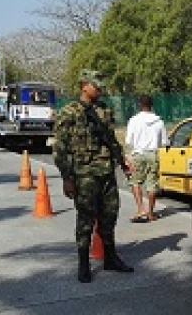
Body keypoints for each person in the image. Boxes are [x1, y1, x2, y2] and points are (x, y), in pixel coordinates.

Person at [53, 69, 134, 283]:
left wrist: (122, 160)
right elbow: (59, 149)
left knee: (110, 215)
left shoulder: (104, 110)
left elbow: (111, 139)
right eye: (96, 86)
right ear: (84, 85)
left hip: (107, 172)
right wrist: (67, 178)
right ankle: (83, 264)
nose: (99, 89)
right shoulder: (69, 112)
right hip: (84, 174)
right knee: (86, 219)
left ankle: (110, 258)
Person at [124, 94, 168, 223]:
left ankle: (140, 209)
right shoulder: (159, 121)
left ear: (139, 105)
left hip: (138, 154)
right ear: (151, 106)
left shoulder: (133, 120)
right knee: (152, 184)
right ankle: (151, 213)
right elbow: (164, 141)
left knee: (135, 182)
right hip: (153, 154)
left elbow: (128, 141)